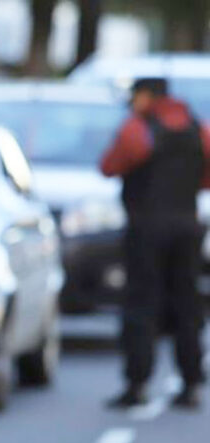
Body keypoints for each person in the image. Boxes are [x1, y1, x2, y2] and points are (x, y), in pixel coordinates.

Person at [101, 77, 210, 410]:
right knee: (187, 305)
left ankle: (137, 384)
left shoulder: (138, 128)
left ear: (147, 97)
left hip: (146, 228)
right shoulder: (198, 128)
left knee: (141, 305)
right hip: (187, 226)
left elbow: (110, 166)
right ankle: (190, 382)